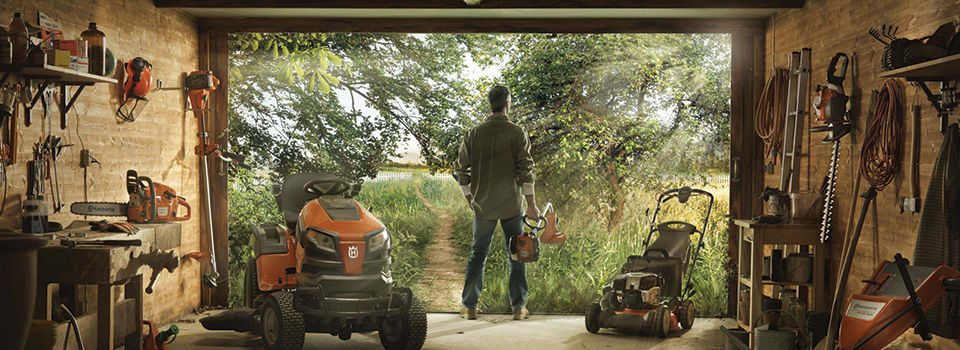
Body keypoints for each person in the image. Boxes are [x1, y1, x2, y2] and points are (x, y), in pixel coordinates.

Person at [455, 85, 539, 321]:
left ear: (490, 104)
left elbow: (461, 169)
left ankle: (469, 307)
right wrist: (531, 205)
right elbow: (526, 170)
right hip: (512, 205)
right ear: (507, 103)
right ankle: (519, 308)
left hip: (483, 206)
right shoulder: (517, 132)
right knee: (518, 253)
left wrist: (469, 196)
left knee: (478, 254)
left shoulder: (473, 133)